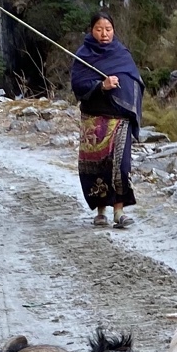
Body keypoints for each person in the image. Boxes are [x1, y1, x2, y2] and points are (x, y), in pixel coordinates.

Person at [70, 13, 143, 226]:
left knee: (121, 166)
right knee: (96, 166)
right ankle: (100, 212)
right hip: (94, 118)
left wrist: (124, 92)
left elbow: (135, 82)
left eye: (108, 29)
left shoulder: (121, 54)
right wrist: (101, 86)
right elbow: (78, 84)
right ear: (91, 30)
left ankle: (119, 213)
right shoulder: (84, 55)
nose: (104, 34)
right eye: (99, 29)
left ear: (114, 30)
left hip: (119, 118)